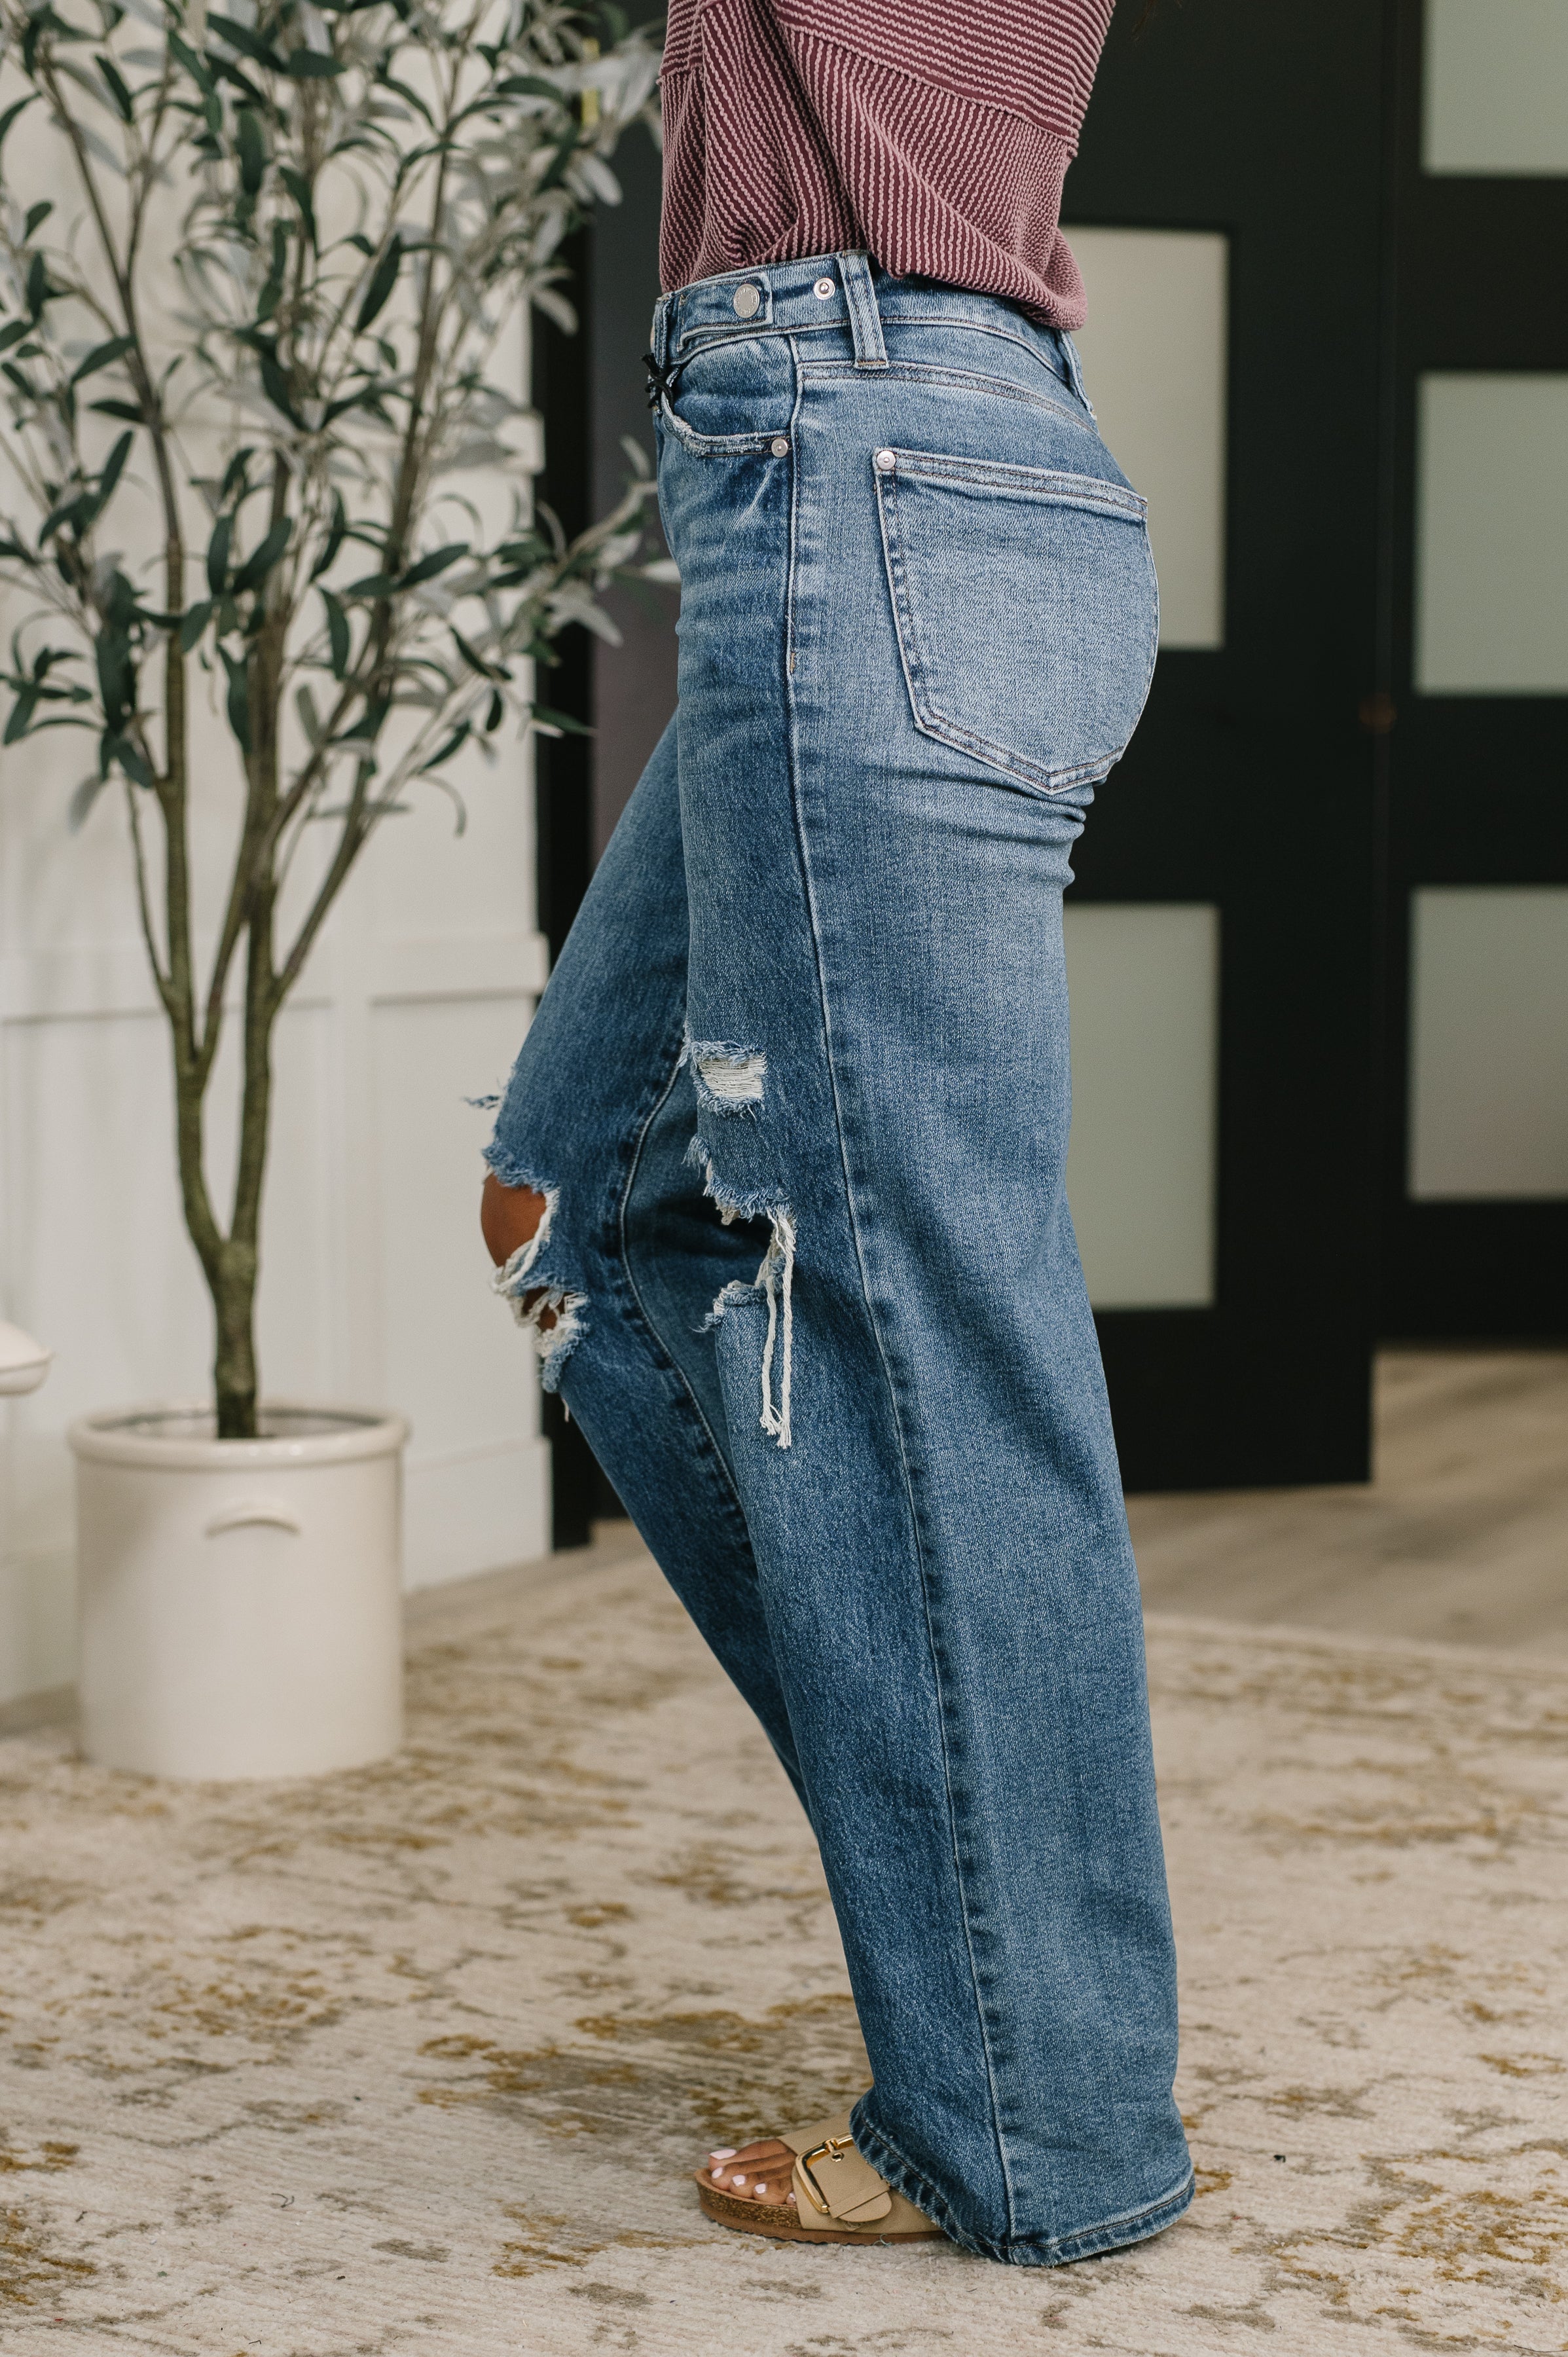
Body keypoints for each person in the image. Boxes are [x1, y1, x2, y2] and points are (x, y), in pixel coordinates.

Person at [480, 0, 1192, 2267]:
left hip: (864, 446)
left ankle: (1034, 2111)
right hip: (885, 453)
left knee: (918, 1321)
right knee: (581, 1203)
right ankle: (994, 1911)